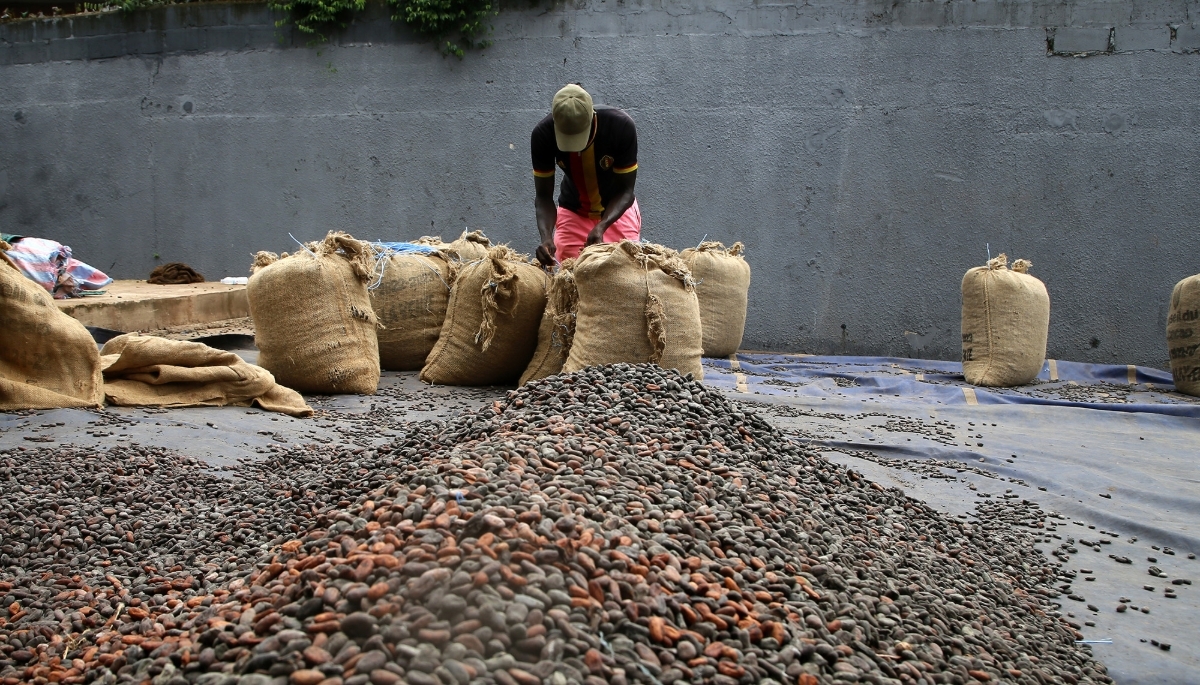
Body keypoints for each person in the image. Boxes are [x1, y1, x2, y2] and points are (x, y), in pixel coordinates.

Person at [531, 84, 640, 266]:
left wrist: (602, 226)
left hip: (616, 214)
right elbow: (543, 196)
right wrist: (546, 238)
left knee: (624, 277)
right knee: (570, 282)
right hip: (573, 211)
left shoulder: (620, 126)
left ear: (592, 117)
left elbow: (626, 190)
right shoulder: (543, 135)